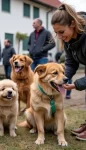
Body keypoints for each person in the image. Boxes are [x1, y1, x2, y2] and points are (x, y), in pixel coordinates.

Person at [51, 3, 86, 140]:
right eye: (56, 32)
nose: (59, 36)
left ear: (72, 24)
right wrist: (63, 78)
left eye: (61, 32)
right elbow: (71, 63)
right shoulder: (69, 40)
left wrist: (77, 84)